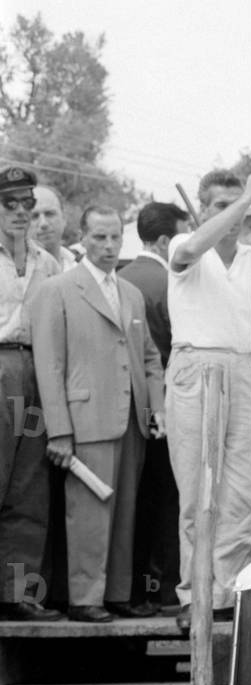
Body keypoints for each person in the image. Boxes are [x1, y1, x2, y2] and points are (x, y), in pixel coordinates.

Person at [166, 168, 251, 632]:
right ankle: (194, 593)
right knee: (198, 488)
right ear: (203, 210)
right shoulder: (185, 249)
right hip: (196, 369)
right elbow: (190, 250)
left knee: (241, 494)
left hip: (246, 371)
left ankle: (227, 592)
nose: (232, 211)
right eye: (219, 204)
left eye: (236, 203)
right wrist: (243, 200)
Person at [30, 206, 165, 622]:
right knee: (87, 511)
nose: (108, 246)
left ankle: (118, 592)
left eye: (113, 239)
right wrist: (58, 430)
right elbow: (49, 366)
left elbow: (149, 358)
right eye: (99, 238)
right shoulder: (58, 289)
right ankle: (85, 598)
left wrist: (157, 407)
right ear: (83, 238)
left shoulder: (131, 293)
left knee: (126, 509)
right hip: (85, 419)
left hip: (132, 419)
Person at [119, 202, 190, 612]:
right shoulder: (171, 284)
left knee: (134, 500)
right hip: (166, 405)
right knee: (167, 499)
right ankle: (163, 589)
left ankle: (132, 590)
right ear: (165, 241)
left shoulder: (118, 280)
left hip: (123, 411)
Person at [0, 165, 63, 621]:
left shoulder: (48, 263)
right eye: (11, 204)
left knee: (29, 487)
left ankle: (17, 594)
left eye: (28, 204)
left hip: (36, 370)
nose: (21, 212)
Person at [29, 185, 76, 272]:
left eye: (49, 214)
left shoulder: (80, 267)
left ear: (64, 218)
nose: (44, 223)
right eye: (34, 216)